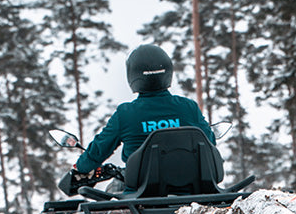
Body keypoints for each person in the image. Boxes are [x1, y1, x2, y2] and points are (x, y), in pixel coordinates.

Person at [68, 44, 215, 183]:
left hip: (140, 194)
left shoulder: (125, 114)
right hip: (191, 191)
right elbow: (210, 141)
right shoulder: (189, 108)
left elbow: (98, 150)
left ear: (132, 75)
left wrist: (81, 167)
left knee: (113, 191)